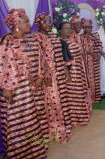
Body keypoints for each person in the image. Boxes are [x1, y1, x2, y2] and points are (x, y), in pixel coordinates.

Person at [0, 8, 48, 158]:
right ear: (15, 24)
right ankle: (19, 153)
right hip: (15, 90)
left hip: (34, 88)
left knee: (34, 120)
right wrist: (6, 88)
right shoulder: (6, 41)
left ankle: (36, 151)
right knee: (18, 122)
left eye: (28, 21)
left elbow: (41, 60)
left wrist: (40, 76)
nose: (29, 24)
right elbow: (2, 65)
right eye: (25, 21)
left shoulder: (32, 40)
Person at [34, 13, 72, 143]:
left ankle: (60, 131)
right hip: (46, 78)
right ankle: (52, 133)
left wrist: (66, 71)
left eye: (50, 21)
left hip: (59, 74)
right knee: (50, 104)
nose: (49, 24)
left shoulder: (54, 37)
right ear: (38, 23)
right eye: (45, 21)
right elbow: (36, 61)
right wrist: (43, 75)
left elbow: (60, 57)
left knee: (59, 102)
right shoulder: (35, 39)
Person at [58, 22, 90, 126]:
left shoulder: (70, 40)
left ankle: (80, 117)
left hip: (78, 70)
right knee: (73, 95)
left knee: (79, 94)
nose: (68, 30)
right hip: (71, 71)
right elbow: (62, 60)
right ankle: (74, 119)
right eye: (65, 28)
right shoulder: (60, 42)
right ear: (60, 30)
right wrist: (67, 73)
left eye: (69, 28)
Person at [80, 18, 97, 104]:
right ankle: (88, 98)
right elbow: (82, 49)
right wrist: (90, 53)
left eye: (90, 27)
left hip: (95, 61)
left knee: (94, 79)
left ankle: (94, 97)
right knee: (88, 78)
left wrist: (98, 53)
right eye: (87, 27)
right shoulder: (81, 37)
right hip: (85, 60)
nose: (89, 29)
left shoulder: (94, 37)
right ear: (83, 28)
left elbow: (98, 45)